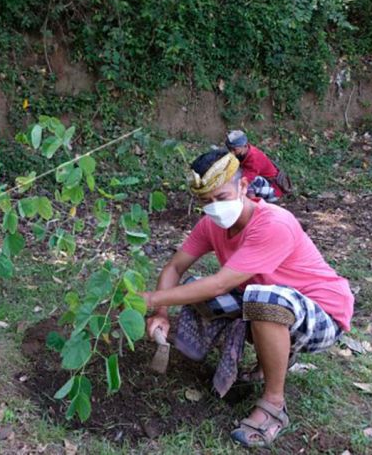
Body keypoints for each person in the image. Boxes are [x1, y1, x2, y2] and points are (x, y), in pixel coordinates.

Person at [140, 149, 353, 448]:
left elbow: (220, 284)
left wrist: (149, 298)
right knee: (199, 291)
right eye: (205, 201)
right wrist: (161, 311)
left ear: (243, 187)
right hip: (281, 305)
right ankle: (271, 358)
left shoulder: (273, 223)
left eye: (222, 197)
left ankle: (274, 405)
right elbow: (175, 267)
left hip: (324, 316)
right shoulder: (211, 225)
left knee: (258, 297)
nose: (214, 208)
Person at [225, 130, 285, 202]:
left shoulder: (254, 158)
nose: (232, 152)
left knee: (246, 180)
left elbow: (246, 180)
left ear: (245, 146)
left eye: (235, 150)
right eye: (230, 149)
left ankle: (254, 205)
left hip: (273, 191)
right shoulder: (244, 152)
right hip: (264, 184)